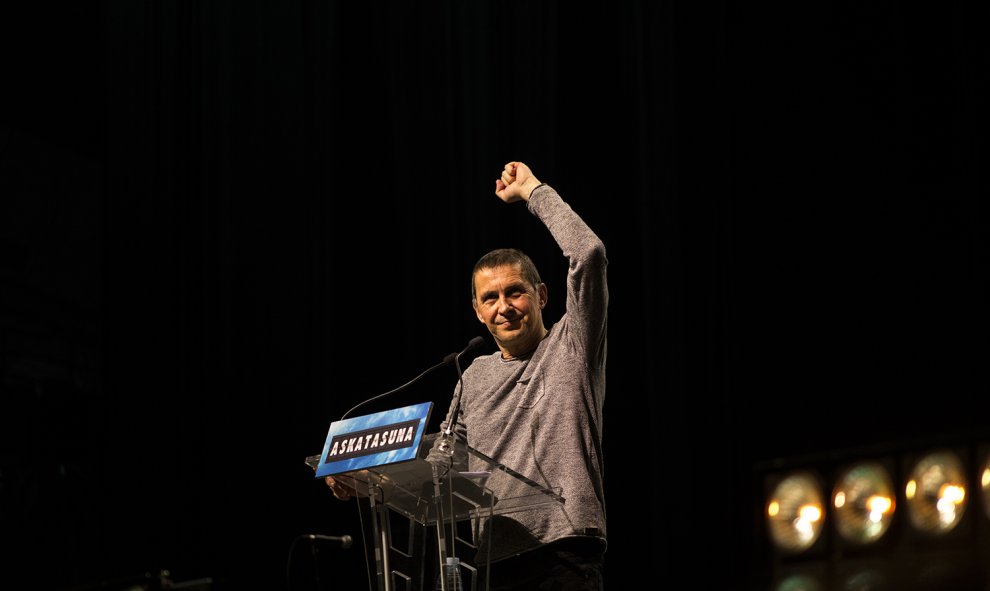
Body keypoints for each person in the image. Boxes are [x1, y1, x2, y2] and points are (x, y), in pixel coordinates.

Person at [327, 161, 608, 590]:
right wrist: (369, 480)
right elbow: (443, 463)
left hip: (565, 554)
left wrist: (534, 192)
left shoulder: (572, 346)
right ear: (478, 311)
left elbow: (588, 254)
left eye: (515, 292)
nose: (504, 306)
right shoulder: (472, 374)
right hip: (494, 563)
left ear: (542, 296)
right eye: (490, 298)